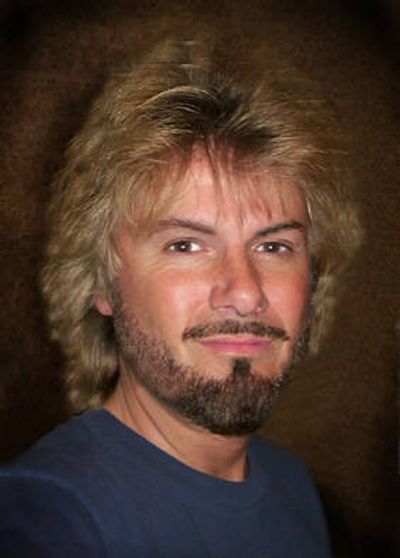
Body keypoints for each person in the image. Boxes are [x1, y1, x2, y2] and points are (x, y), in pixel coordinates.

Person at [0, 36, 360, 557]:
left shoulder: (292, 488)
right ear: (102, 282)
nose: (245, 292)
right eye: (186, 245)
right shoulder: (48, 513)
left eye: (274, 246)